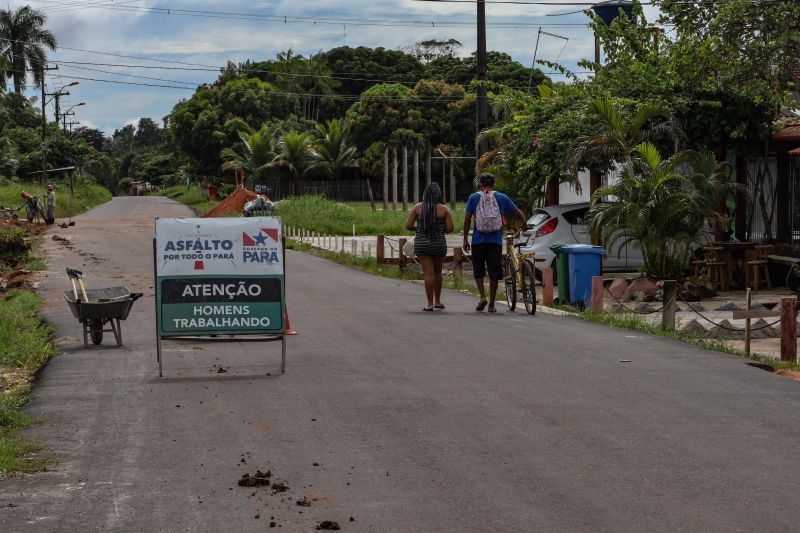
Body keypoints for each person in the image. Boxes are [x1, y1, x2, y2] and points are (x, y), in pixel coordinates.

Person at [463, 173, 526, 313]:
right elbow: (518, 213)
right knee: (494, 272)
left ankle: (482, 297)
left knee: (478, 270)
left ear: (480, 184)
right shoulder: (502, 197)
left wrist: (465, 239)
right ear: (494, 184)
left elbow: (467, 220)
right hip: (495, 241)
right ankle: (491, 304)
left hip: (478, 240)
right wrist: (525, 224)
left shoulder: (473, 198)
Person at [406, 182, 454, 311]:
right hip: (438, 243)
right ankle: (438, 301)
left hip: (422, 244)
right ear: (438, 195)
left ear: (425, 194)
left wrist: (419, 229)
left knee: (428, 273)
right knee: (438, 273)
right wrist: (440, 229)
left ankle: (429, 304)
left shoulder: (417, 208)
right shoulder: (444, 209)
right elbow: (450, 228)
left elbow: (408, 225)